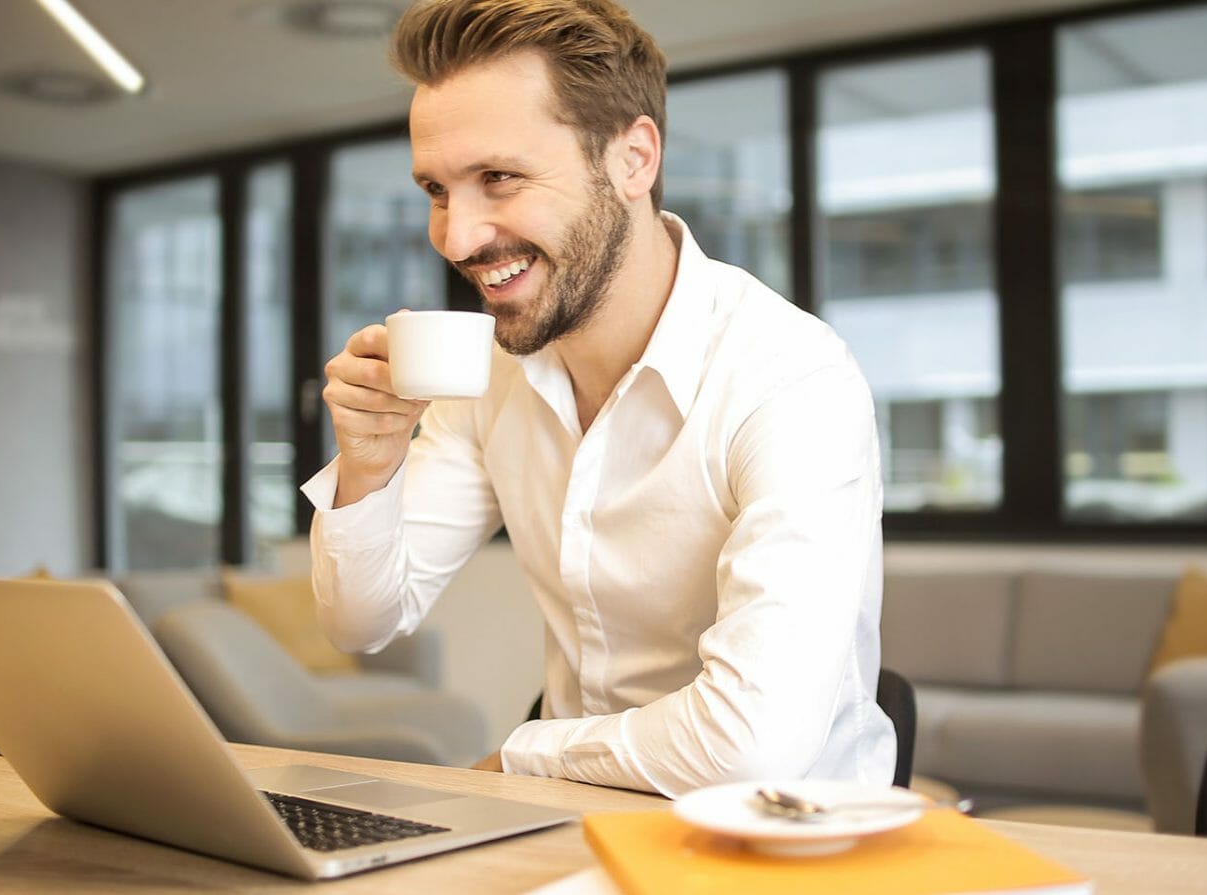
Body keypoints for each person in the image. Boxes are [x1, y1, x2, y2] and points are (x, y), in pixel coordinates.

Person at [302, 0, 893, 797]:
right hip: (573, 826)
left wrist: (524, 752)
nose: (457, 236)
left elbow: (752, 743)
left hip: (779, 845)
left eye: (499, 178)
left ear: (633, 159)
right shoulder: (496, 374)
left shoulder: (791, 378)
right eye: (437, 189)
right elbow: (363, 620)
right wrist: (369, 467)